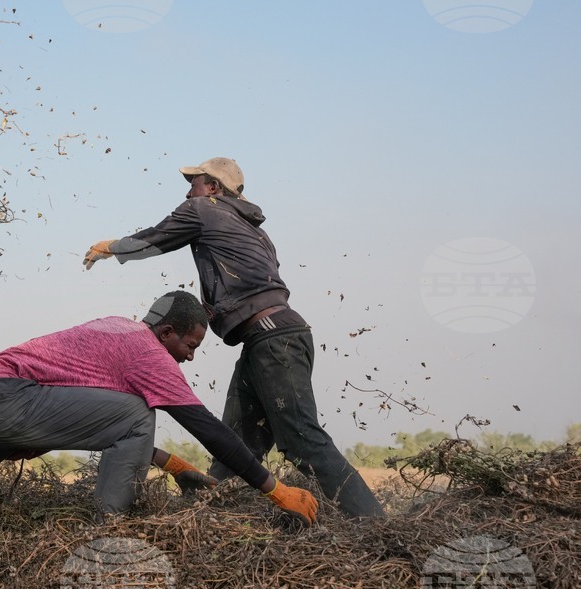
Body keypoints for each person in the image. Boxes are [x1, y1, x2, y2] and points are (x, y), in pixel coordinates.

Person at [0, 291, 317, 560]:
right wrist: (274, 489)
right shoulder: (148, 351)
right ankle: (107, 543)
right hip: (4, 399)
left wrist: (172, 465)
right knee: (138, 415)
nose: (187, 359)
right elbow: (207, 426)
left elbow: (88, 423)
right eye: (189, 346)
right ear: (167, 332)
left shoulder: (114, 328)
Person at [84, 157, 385, 518]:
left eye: (194, 183)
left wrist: (111, 247)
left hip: (274, 340)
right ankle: (208, 518)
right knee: (236, 444)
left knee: (301, 439)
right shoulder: (256, 230)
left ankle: (374, 524)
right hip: (271, 338)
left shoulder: (203, 208)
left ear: (212, 188)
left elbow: (155, 240)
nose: (188, 190)